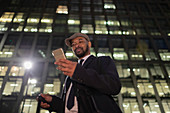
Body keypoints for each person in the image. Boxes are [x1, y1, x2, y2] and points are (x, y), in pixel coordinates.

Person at [38, 33, 122, 113]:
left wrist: (79, 72)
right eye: (73, 45)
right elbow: (70, 106)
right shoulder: (70, 74)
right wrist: (52, 102)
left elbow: (114, 86)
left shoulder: (102, 61)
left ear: (89, 44)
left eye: (80, 42)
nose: (76, 45)